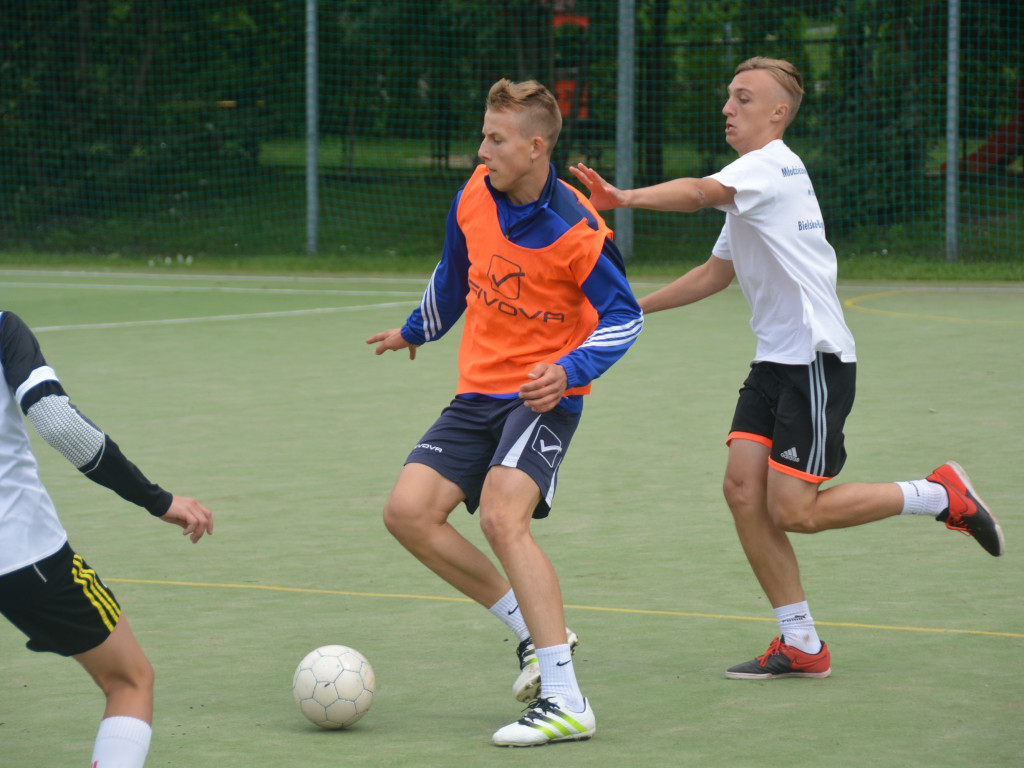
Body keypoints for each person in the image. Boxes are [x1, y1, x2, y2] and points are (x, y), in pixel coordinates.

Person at [570, 56, 1003, 680]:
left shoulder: (769, 167)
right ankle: (800, 642)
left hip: (815, 361)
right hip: (775, 362)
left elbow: (697, 193)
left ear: (778, 113)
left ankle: (937, 494)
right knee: (743, 492)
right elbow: (716, 274)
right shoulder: (754, 184)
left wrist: (623, 198)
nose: (728, 108)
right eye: (728, 97)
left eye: (743, 99)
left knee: (795, 511)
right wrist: (631, 310)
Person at [367, 78, 642, 745]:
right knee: (407, 513)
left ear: (535, 146)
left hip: (543, 397)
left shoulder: (577, 228)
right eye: (484, 134)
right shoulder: (473, 196)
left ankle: (567, 699)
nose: (481, 148)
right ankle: (531, 630)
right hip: (477, 393)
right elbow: (454, 271)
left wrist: (568, 371)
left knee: (500, 515)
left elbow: (623, 317)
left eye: (494, 138)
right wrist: (417, 328)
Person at [0, 310, 214, 768]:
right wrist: (157, 500)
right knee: (130, 680)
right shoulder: (2, 327)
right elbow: (58, 423)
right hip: (21, 554)